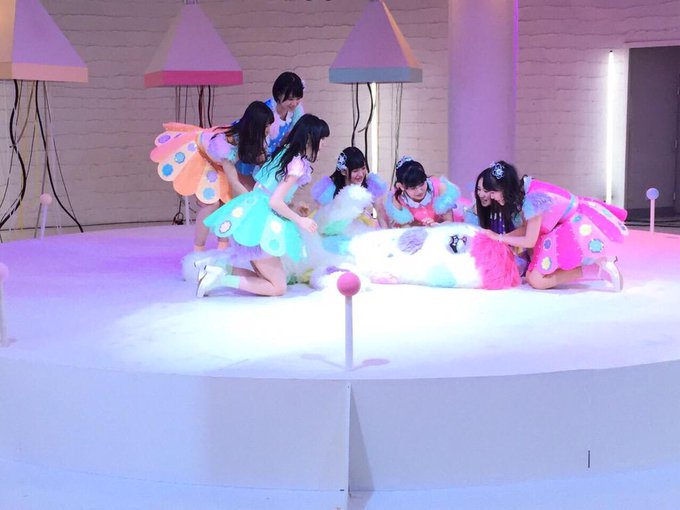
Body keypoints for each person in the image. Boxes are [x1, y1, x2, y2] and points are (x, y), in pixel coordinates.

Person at [197, 114, 330, 297]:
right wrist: (301, 220)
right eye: (322, 138)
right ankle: (218, 279)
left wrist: (292, 209)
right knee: (278, 287)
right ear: (310, 138)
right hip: (261, 220)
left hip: (252, 212)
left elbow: (266, 189)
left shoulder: (284, 153)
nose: (324, 144)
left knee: (266, 277)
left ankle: (217, 268)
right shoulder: (297, 164)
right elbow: (275, 201)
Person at [477, 160, 628, 291]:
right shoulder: (527, 190)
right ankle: (591, 267)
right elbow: (527, 230)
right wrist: (499, 237)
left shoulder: (532, 199)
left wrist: (500, 238)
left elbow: (530, 240)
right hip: (563, 224)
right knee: (531, 274)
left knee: (536, 280)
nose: (491, 197)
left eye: (493, 192)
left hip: (572, 225)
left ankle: (593, 269)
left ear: (504, 188)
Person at [151, 101, 273, 252]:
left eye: (269, 124)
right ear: (256, 125)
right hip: (199, 156)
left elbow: (259, 163)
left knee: (226, 202)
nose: (269, 129)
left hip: (217, 163)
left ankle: (223, 249)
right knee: (212, 204)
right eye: (266, 125)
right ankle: (198, 250)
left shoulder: (255, 139)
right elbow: (233, 180)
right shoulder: (226, 144)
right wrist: (252, 200)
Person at [235, 72, 305, 190]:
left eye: (298, 99)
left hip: (267, 165)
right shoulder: (266, 113)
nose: (294, 103)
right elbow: (255, 145)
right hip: (251, 162)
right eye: (290, 99)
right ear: (278, 94)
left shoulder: (295, 113)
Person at [311, 146, 388, 229]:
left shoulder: (370, 186)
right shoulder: (329, 189)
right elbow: (320, 217)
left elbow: (380, 212)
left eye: (363, 168)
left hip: (362, 228)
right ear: (344, 171)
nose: (361, 174)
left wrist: (388, 234)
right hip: (337, 231)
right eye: (355, 171)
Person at [384, 156, 460, 227]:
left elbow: (449, 222)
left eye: (422, 184)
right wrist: (422, 227)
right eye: (413, 188)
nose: (419, 191)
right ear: (401, 186)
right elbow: (406, 228)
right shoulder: (397, 199)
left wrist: (437, 226)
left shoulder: (440, 188)